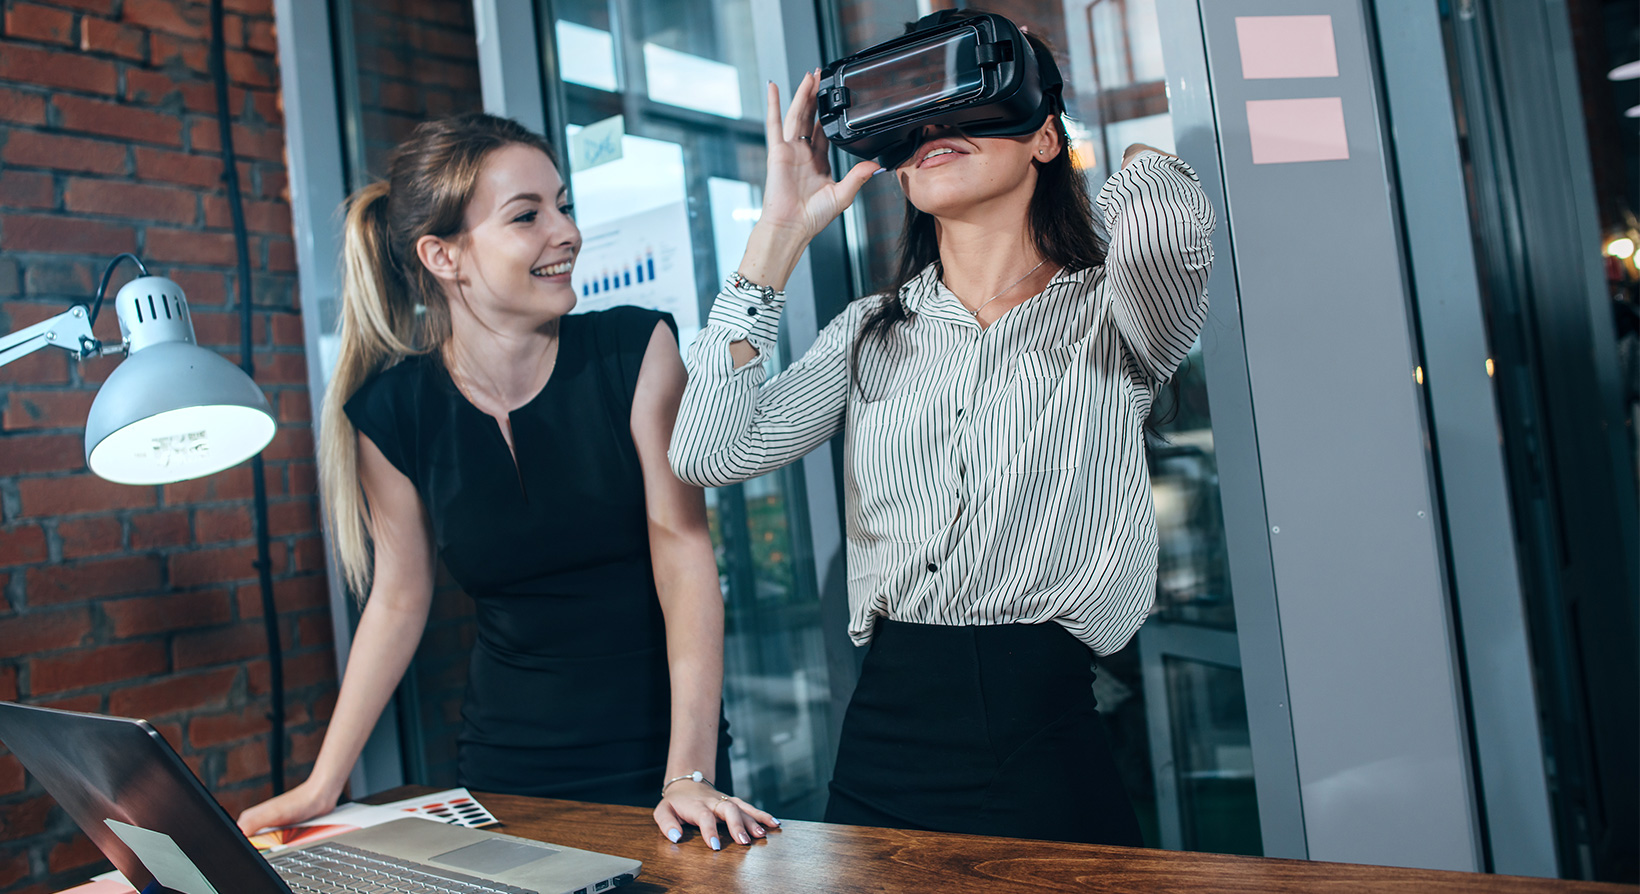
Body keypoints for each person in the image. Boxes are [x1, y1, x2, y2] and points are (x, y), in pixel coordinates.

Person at [668, 14, 1214, 845]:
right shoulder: (866, 332)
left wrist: (1092, 124)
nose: (932, 131)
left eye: (959, 102)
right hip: (883, 744)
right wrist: (776, 237)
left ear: (1041, 138)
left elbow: (1168, 232)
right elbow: (709, 451)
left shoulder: (1115, 312)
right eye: (912, 119)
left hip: (1044, 744)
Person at [235, 113, 775, 850]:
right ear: (443, 256)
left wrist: (688, 773)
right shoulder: (393, 413)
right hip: (504, 769)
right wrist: (325, 781)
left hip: (661, 761)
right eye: (527, 215)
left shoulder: (635, 349)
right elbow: (396, 601)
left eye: (564, 205)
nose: (567, 232)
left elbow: (684, 555)